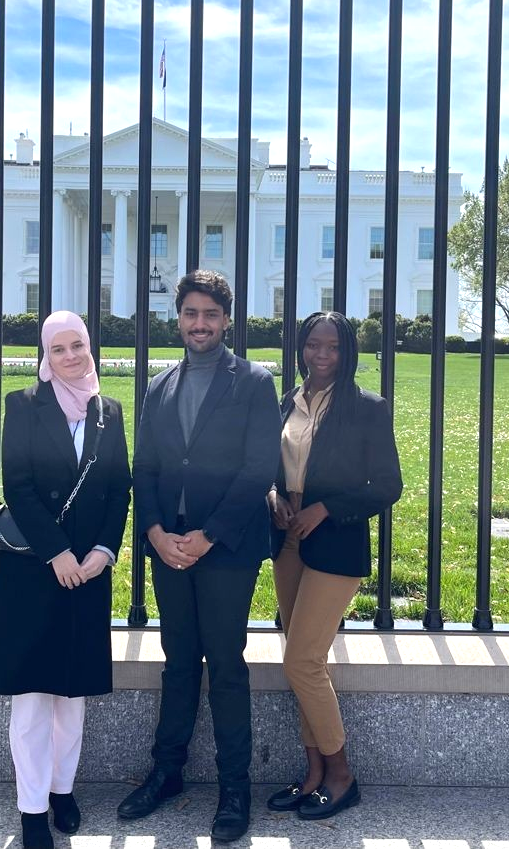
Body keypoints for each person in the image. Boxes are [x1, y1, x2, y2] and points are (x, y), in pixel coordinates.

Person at [117, 270, 281, 844]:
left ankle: (234, 786)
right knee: (178, 660)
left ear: (228, 319)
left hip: (226, 548)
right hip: (170, 545)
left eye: (211, 315)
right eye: (191, 314)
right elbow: (149, 469)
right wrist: (157, 533)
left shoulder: (255, 382)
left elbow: (259, 468)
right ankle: (167, 773)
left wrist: (208, 536)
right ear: (178, 318)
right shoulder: (160, 385)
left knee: (227, 665)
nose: (200, 324)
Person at [0, 310, 132, 849]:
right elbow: (15, 485)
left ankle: (63, 789)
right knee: (32, 699)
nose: (70, 356)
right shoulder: (22, 405)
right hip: (34, 570)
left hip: (88, 571)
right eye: (59, 348)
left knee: (73, 693)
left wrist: (103, 551)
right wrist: (57, 553)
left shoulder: (108, 411)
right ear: (45, 353)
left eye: (78, 345)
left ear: (91, 347)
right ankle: (32, 808)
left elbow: (119, 490)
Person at [265, 311, 402, 820]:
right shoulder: (287, 402)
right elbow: (274, 467)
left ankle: (342, 774)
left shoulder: (367, 409)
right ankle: (314, 774)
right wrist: (273, 495)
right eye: (313, 346)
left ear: (347, 353)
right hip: (288, 541)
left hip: (335, 545)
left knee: (301, 660)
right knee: (306, 663)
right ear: (301, 349)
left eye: (333, 348)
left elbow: (387, 486)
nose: (322, 356)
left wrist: (326, 508)